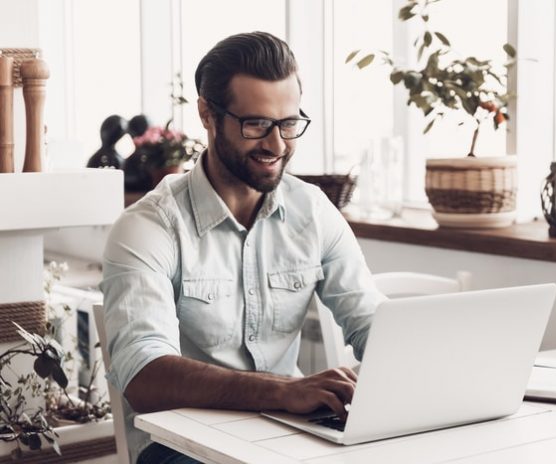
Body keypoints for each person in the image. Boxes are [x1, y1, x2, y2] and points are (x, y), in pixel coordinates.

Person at [100, 31, 385, 463]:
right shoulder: (148, 226)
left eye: (288, 124)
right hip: (181, 447)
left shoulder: (312, 210)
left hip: (290, 438)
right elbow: (144, 375)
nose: (276, 145)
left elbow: (371, 323)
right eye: (256, 125)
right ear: (207, 114)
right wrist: (282, 389)